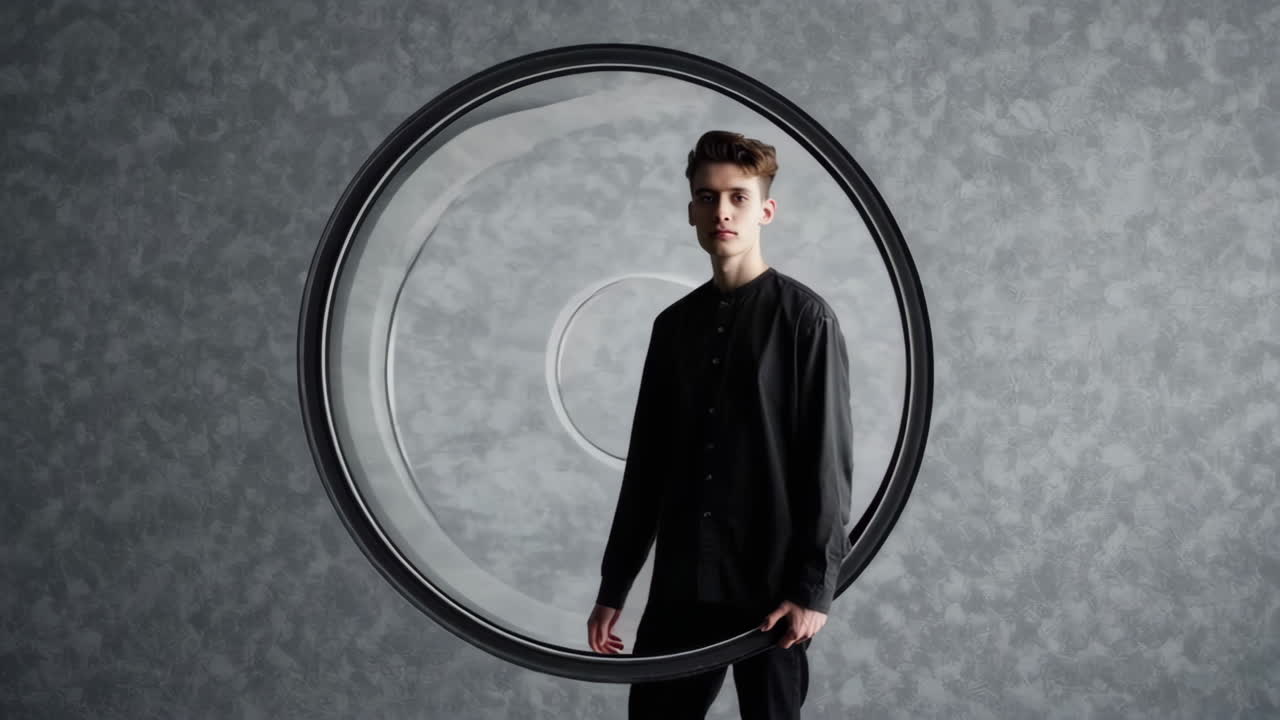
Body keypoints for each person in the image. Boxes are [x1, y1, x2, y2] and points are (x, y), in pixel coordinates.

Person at [586, 129, 854, 719]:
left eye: (737, 196)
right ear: (691, 211)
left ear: (766, 209)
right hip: (681, 585)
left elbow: (827, 467)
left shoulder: (806, 320)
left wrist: (812, 593)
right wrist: (614, 588)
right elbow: (647, 470)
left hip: (772, 593)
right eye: (707, 197)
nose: (722, 211)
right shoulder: (672, 327)